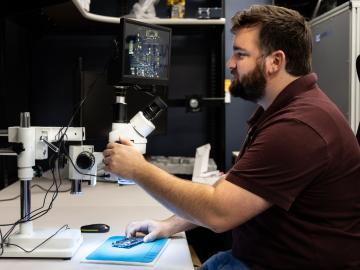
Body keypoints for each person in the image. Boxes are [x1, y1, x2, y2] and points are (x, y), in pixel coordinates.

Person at [103, 5, 360, 269]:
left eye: (241, 54)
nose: (230, 64)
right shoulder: (277, 112)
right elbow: (234, 188)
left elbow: (219, 212)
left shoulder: (299, 127)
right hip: (248, 257)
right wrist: (169, 224)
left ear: (275, 62)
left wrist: (138, 169)